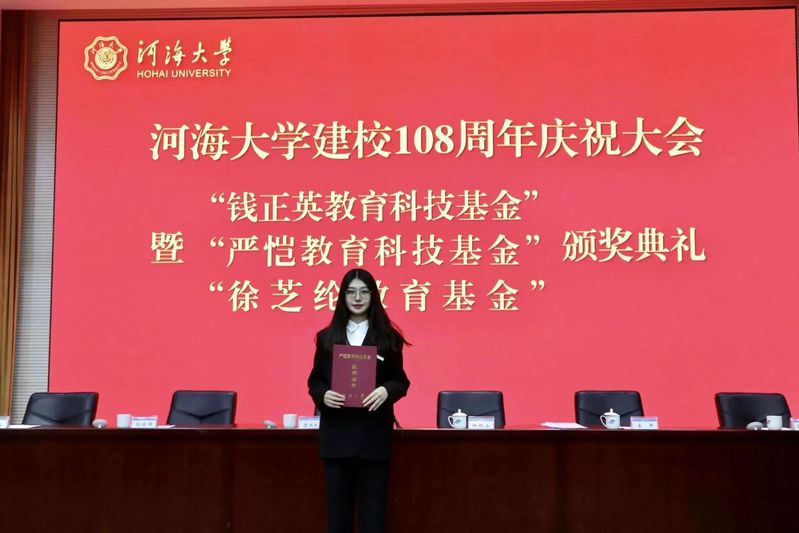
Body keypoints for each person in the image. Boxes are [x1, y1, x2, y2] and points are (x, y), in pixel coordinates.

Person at [307, 268, 410, 533]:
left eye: (364, 292)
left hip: (373, 439)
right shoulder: (326, 338)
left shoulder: (388, 338)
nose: (357, 298)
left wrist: (386, 391)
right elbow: (315, 381)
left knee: (373, 519)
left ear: (373, 296)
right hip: (336, 439)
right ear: (342, 297)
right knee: (337, 519)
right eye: (351, 292)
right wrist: (323, 395)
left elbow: (400, 381)